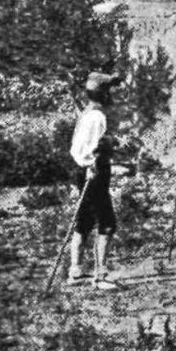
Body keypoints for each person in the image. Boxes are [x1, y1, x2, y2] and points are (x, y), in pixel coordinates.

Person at [68, 71, 122, 290]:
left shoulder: (87, 113)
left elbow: (78, 148)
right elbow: (87, 149)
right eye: (109, 90)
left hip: (84, 171)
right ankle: (100, 277)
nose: (112, 95)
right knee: (107, 223)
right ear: (103, 93)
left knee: (84, 221)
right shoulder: (97, 116)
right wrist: (93, 162)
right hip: (94, 172)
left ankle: (76, 272)